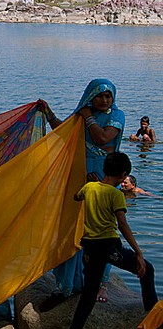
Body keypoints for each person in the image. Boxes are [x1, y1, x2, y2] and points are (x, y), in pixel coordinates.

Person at [43, 79, 126, 305]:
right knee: (72, 226)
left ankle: (103, 284)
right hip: (78, 176)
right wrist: (49, 113)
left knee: (102, 229)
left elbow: (103, 138)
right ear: (90, 96)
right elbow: (63, 133)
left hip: (104, 177)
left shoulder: (116, 116)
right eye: (99, 95)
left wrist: (87, 115)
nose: (104, 100)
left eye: (108, 96)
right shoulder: (80, 116)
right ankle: (68, 283)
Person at [67, 152, 157, 329]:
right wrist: (139, 253)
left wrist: (91, 182)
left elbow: (76, 197)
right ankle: (153, 317)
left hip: (90, 248)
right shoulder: (116, 194)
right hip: (109, 247)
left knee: (89, 293)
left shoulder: (89, 188)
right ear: (124, 174)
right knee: (147, 270)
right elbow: (123, 225)